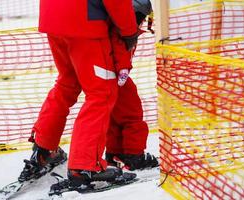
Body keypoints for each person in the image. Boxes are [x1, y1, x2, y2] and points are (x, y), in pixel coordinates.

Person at [19, 0, 140, 189]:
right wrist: (129, 30)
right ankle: (84, 167)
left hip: (54, 18)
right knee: (102, 93)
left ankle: (44, 150)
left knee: (67, 83)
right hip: (86, 23)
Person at [105, 0, 158, 171]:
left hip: (106, 77)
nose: (141, 21)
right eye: (140, 17)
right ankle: (134, 156)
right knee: (133, 116)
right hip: (118, 77)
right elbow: (119, 48)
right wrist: (123, 69)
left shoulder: (115, 25)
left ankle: (115, 152)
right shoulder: (124, 30)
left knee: (114, 118)